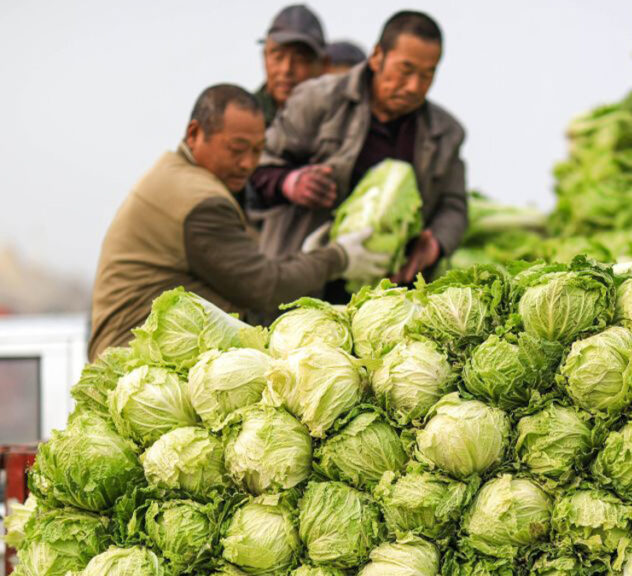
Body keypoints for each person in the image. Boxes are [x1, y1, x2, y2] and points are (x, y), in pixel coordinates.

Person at [88, 85, 387, 360]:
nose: (247, 163)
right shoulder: (201, 201)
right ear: (194, 134)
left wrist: (306, 257)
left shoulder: (176, 174)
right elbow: (263, 287)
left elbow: (245, 270)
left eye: (258, 151)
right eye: (236, 148)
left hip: (146, 351)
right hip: (136, 359)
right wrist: (338, 257)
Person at [247, 10, 468, 299]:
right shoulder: (317, 100)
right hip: (302, 285)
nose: (414, 86)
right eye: (406, 70)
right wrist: (292, 183)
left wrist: (436, 242)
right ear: (377, 57)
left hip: (386, 299)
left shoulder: (445, 133)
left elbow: (454, 206)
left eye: (427, 75)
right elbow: (257, 166)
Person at [254, 4, 329, 125]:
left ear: (324, 65)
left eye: (300, 59)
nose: (286, 69)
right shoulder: (243, 120)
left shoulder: (340, 120)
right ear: (264, 56)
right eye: (278, 57)